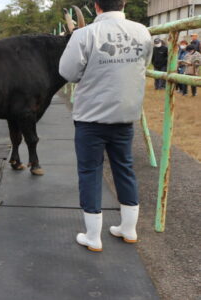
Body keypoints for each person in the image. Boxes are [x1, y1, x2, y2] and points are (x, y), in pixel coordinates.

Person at [59, 0, 152, 252]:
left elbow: (67, 72)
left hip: (91, 116)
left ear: (96, 6)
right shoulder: (142, 31)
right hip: (124, 115)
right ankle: (129, 229)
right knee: (125, 168)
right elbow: (144, 63)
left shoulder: (84, 34)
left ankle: (93, 236)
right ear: (123, 4)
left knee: (90, 171)